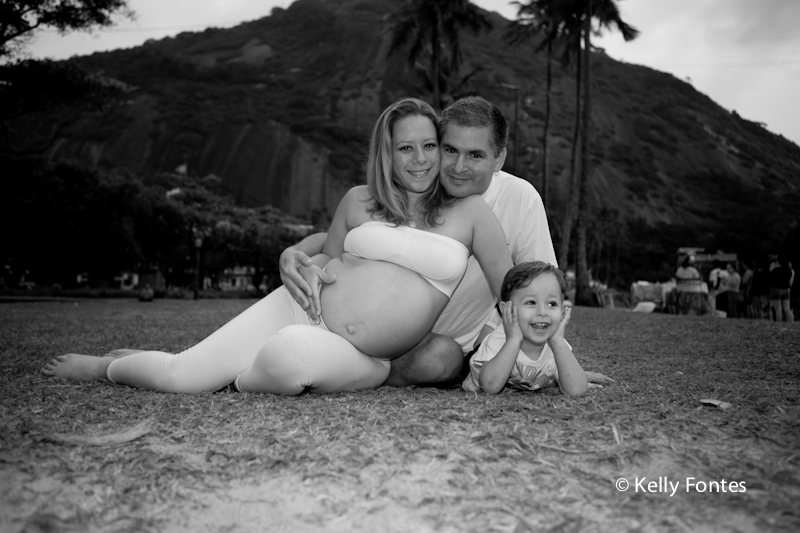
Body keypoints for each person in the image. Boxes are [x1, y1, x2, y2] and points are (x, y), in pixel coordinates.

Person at [41, 97, 513, 395]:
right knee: (177, 378)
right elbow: (327, 253)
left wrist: (549, 351)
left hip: (366, 357)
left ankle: (233, 379)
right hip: (299, 305)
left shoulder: (471, 214)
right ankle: (106, 368)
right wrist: (293, 256)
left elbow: (514, 289)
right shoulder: (358, 200)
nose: (420, 159)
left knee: (293, 356)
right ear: (387, 153)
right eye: (405, 147)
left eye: (430, 146)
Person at [280, 96, 557, 387]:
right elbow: (354, 239)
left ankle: (357, 369)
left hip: (430, 346)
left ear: (498, 157)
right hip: (365, 315)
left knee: (440, 358)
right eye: (450, 150)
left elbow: (538, 291)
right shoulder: (420, 182)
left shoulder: (520, 199)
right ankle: (341, 361)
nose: (459, 167)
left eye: (475, 155)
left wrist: (553, 361)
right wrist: (297, 250)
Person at [462, 262, 613, 395]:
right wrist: (513, 341)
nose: (542, 312)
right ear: (506, 309)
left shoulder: (556, 346)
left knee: (570, 371)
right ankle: (492, 321)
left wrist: (558, 341)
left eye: (551, 304)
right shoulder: (498, 341)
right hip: (478, 365)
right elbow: (490, 387)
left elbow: (576, 390)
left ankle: (578, 374)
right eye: (531, 302)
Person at [769, 255, 794, 322]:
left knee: (778, 309)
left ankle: (778, 324)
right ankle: (791, 323)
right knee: (787, 308)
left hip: (777, 288)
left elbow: (771, 279)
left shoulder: (775, 270)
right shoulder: (789, 270)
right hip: (786, 289)